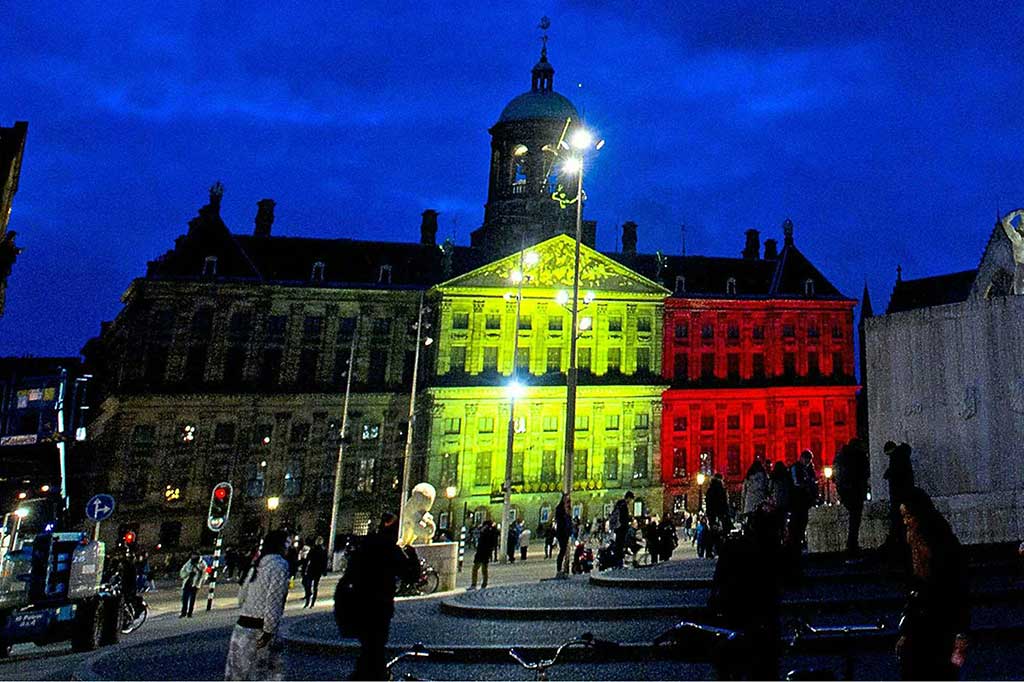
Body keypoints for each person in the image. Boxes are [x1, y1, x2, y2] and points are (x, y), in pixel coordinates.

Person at [895, 487, 970, 680]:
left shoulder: (942, 545)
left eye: (909, 516)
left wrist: (960, 634)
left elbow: (957, 589)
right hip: (923, 622)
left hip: (940, 622)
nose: (906, 522)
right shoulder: (914, 542)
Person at [336, 512, 418, 681]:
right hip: (380, 606)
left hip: (360, 603)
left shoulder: (365, 546)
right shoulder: (390, 549)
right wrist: (412, 555)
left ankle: (365, 673)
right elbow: (411, 576)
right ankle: (372, 674)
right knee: (375, 646)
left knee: (369, 645)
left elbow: (349, 575)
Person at [708, 510, 783, 680]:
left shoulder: (733, 546)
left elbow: (719, 576)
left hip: (733, 607)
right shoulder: (772, 551)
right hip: (761, 613)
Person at [224, 530, 291, 681]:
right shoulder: (279, 565)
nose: (289, 547)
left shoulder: (257, 564)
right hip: (260, 629)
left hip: (242, 628)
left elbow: (241, 597)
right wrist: (269, 631)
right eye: (287, 543)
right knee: (263, 674)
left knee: (238, 674)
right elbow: (274, 600)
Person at [834, 439, 870, 560]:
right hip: (856, 491)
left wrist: (840, 490)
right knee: (855, 520)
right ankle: (852, 547)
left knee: (852, 520)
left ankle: (851, 546)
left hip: (845, 492)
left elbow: (836, 474)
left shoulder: (841, 456)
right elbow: (865, 473)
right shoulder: (858, 456)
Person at [885, 441, 916, 568]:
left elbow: (897, 475)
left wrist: (888, 473)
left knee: (898, 522)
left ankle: (898, 549)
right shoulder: (902, 456)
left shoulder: (896, 458)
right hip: (904, 494)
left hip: (899, 496)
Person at [470, 519, 498, 589]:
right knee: (484, 569)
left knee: (476, 568)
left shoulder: (485, 532)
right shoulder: (492, 532)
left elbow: (481, 540)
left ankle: (474, 584)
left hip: (481, 552)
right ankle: (484, 583)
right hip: (486, 553)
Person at [301, 536, 328, 608]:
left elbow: (307, 559)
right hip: (317, 570)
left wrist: (304, 568)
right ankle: (312, 603)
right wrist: (324, 571)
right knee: (315, 586)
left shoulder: (313, 549)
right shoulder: (323, 550)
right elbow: (324, 561)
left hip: (312, 568)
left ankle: (308, 601)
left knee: (309, 585)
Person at [610, 491, 634, 568]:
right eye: (631, 500)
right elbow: (623, 518)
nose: (631, 502)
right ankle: (619, 563)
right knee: (620, 545)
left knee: (618, 545)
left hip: (618, 528)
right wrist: (629, 520)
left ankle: (618, 562)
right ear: (629, 498)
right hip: (621, 528)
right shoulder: (623, 505)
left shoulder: (619, 504)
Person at [179, 552, 207, 618]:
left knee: (192, 599)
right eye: (192, 555)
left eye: (195, 555)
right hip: (187, 582)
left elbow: (205, 574)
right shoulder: (189, 562)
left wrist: (201, 582)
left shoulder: (202, 563)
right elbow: (183, 571)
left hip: (195, 584)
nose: (193, 557)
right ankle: (183, 612)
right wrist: (187, 574)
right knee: (184, 598)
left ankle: (190, 613)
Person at [555, 493, 572, 577]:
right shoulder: (559, 509)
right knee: (562, 550)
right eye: (566, 498)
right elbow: (559, 521)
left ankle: (565, 568)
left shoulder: (568, 508)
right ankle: (559, 569)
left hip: (567, 532)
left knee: (565, 550)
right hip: (561, 532)